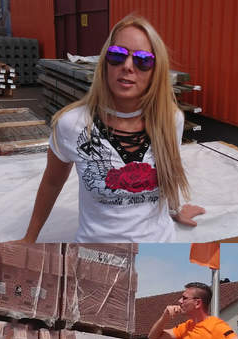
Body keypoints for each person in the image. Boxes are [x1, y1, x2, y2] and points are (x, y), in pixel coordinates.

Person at [18, 14, 204, 243]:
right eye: (117, 55)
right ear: (105, 62)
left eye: (143, 60)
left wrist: (175, 210)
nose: (127, 66)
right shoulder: (72, 124)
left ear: (156, 70)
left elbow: (168, 170)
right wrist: (29, 239)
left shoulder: (170, 119)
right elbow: (52, 182)